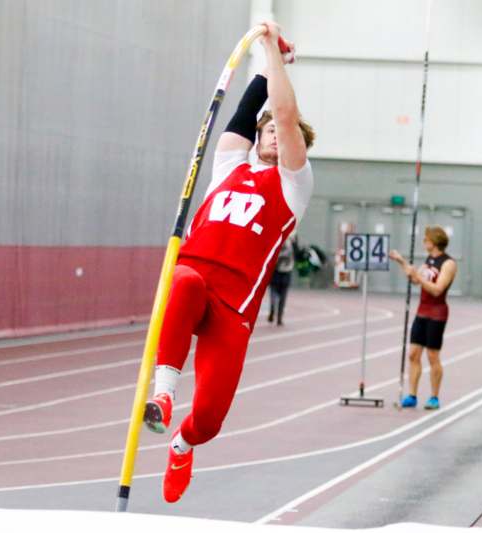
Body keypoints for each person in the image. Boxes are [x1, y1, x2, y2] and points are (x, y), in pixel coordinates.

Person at [142, 22, 315, 503]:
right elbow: (245, 114)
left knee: (211, 421)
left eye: (286, 133)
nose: (278, 135)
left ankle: (182, 442)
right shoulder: (229, 166)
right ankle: (162, 392)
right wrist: (265, 68)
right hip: (192, 278)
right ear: (257, 137)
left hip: (233, 310)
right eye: (270, 132)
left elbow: (283, 112)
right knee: (186, 279)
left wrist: (274, 57)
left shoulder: (293, 186)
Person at [389, 226, 456, 410]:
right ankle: (412, 395)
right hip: (422, 311)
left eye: (425, 239)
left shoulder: (448, 263)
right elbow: (415, 279)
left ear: (433, 241)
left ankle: (434, 397)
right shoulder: (429, 260)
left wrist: (417, 275)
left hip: (437, 312)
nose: (423, 242)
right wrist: (401, 262)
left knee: (432, 355)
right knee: (413, 354)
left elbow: (437, 289)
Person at [268, 236, 295, 326]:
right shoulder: (291, 241)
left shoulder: (276, 239)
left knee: (273, 292)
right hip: (285, 272)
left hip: (275, 271)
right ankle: (279, 317)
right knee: (282, 296)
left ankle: (273, 308)